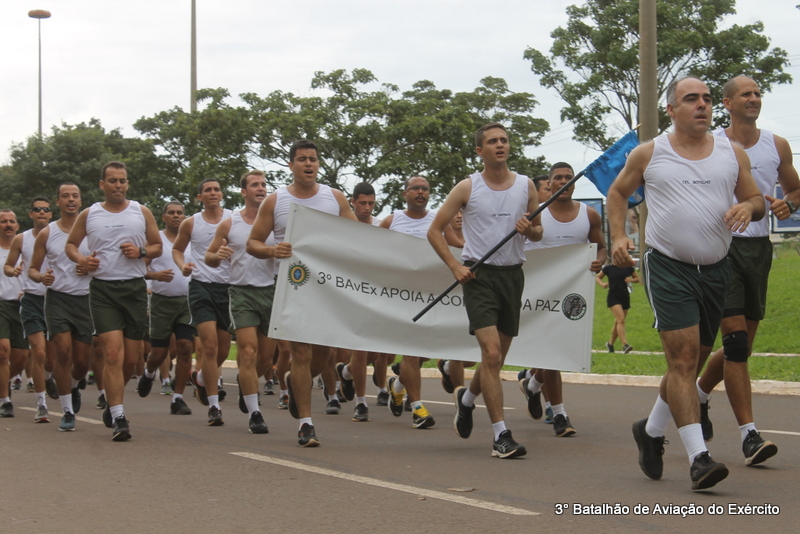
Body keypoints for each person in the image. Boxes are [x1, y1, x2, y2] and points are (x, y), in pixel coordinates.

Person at [608, 77, 764, 491]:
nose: (702, 106)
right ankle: (699, 459)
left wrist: (748, 207)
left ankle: (651, 431)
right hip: (668, 266)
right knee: (682, 358)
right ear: (672, 110)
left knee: (692, 361)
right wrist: (620, 236)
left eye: (708, 100)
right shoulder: (649, 153)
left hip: (716, 269)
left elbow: (758, 201)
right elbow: (618, 194)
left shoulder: (732, 154)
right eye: (691, 99)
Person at [695, 75, 799, 465]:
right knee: (736, 343)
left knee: (744, 347)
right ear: (727, 103)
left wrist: (789, 204)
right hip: (722, 248)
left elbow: (796, 189)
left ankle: (699, 394)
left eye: (757, 93)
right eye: (746, 94)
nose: (754, 98)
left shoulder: (778, 145)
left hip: (758, 251)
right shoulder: (714, 145)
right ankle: (749, 435)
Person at [428, 122, 542, 459]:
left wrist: (529, 229)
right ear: (480, 150)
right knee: (491, 355)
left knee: (496, 359)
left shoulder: (526, 185)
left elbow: (538, 231)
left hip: (512, 276)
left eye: (504, 140)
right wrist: (455, 266)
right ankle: (500, 436)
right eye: (492, 141)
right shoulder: (467, 187)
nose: (500, 145)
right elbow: (435, 231)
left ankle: (466, 400)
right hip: (479, 277)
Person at [247, 139, 357, 447]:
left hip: (327, 287)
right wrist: (272, 249)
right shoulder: (276, 200)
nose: (308, 164)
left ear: (318, 164)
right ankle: (306, 424)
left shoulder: (334, 198)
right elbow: (252, 243)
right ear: (291, 165)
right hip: (292, 284)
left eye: (313, 159)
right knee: (301, 352)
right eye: (302, 159)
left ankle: (297, 386)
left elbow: (359, 237)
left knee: (322, 358)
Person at [66, 162, 163, 441]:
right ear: (102, 185)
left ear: (127, 184)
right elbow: (71, 245)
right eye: (112, 181)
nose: (117, 185)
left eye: (122, 181)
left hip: (133, 289)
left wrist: (141, 251)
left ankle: (113, 400)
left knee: (130, 361)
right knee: (111, 353)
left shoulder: (140, 211)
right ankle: (120, 416)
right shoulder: (90, 213)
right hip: (103, 290)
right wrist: (82, 259)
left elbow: (157, 245)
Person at [519, 162, 607, 438]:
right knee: (552, 352)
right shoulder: (536, 215)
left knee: (556, 351)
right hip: (538, 295)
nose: (564, 182)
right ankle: (559, 414)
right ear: (550, 182)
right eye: (558, 178)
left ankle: (532, 385)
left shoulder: (589, 215)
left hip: (572, 295)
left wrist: (599, 263)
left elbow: (601, 248)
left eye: (569, 178)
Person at [206, 170, 275, 434]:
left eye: (263, 185)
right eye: (254, 185)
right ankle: (255, 412)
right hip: (241, 292)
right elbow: (209, 256)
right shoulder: (229, 223)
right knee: (247, 351)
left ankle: (247, 390)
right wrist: (218, 254)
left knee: (266, 359)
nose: (260, 188)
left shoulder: (277, 221)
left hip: (271, 291)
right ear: (244, 192)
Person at [30, 184, 94, 431]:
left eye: (75, 196)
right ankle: (67, 411)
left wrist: (90, 267)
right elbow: (33, 269)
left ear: (80, 201)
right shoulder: (48, 233)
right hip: (57, 299)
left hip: (86, 300)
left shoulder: (91, 231)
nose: (70, 199)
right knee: (63, 352)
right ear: (57, 202)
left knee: (81, 361)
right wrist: (40, 278)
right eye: (65, 196)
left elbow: (105, 261)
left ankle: (75, 383)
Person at [379, 176, 438, 429]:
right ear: (405, 194)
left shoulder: (438, 220)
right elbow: (369, 248)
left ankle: (398, 384)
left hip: (432, 294)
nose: (420, 192)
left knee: (425, 352)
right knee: (412, 352)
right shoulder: (392, 221)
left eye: (425, 188)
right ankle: (417, 409)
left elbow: (457, 245)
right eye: (415, 188)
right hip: (402, 296)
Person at [172, 179, 232, 426]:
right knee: (209, 346)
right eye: (207, 190)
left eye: (217, 189)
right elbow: (177, 249)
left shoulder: (232, 219)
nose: (213, 193)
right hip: (200, 287)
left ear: (221, 194)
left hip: (228, 287)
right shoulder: (191, 223)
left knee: (223, 349)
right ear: (200, 197)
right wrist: (182, 265)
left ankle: (200, 378)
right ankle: (214, 407)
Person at [135, 201, 195, 416]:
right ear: (164, 217)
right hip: (162, 301)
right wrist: (154, 276)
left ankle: (177, 399)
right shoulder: (156, 240)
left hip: (187, 302)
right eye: (171, 213)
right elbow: (137, 267)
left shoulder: (191, 239)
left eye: (180, 213)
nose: (176, 216)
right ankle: (149, 372)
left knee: (186, 347)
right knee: (159, 353)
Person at [3, 197, 53, 422]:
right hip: (18, 302)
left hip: (51, 300)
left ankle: (8, 382)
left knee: (25, 358)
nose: (41, 212)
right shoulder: (21, 241)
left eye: (45, 209)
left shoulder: (60, 236)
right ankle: (29, 403)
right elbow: (8, 266)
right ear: (31, 214)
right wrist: (13, 271)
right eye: (36, 209)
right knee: (11, 351)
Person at [0, 210, 28, 418]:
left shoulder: (26, 249)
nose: (8, 225)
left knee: (20, 359)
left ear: (18, 226)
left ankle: (3, 382)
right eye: (3, 222)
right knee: (3, 352)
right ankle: (5, 400)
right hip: (1, 305)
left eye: (11, 221)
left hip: (22, 306)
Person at [596, 258, 639, 353]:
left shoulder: (628, 268)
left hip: (624, 296)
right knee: (621, 320)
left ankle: (610, 344)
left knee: (618, 322)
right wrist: (602, 284)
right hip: (613, 296)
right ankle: (625, 345)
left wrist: (631, 280)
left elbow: (637, 279)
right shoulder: (608, 268)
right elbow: (598, 277)